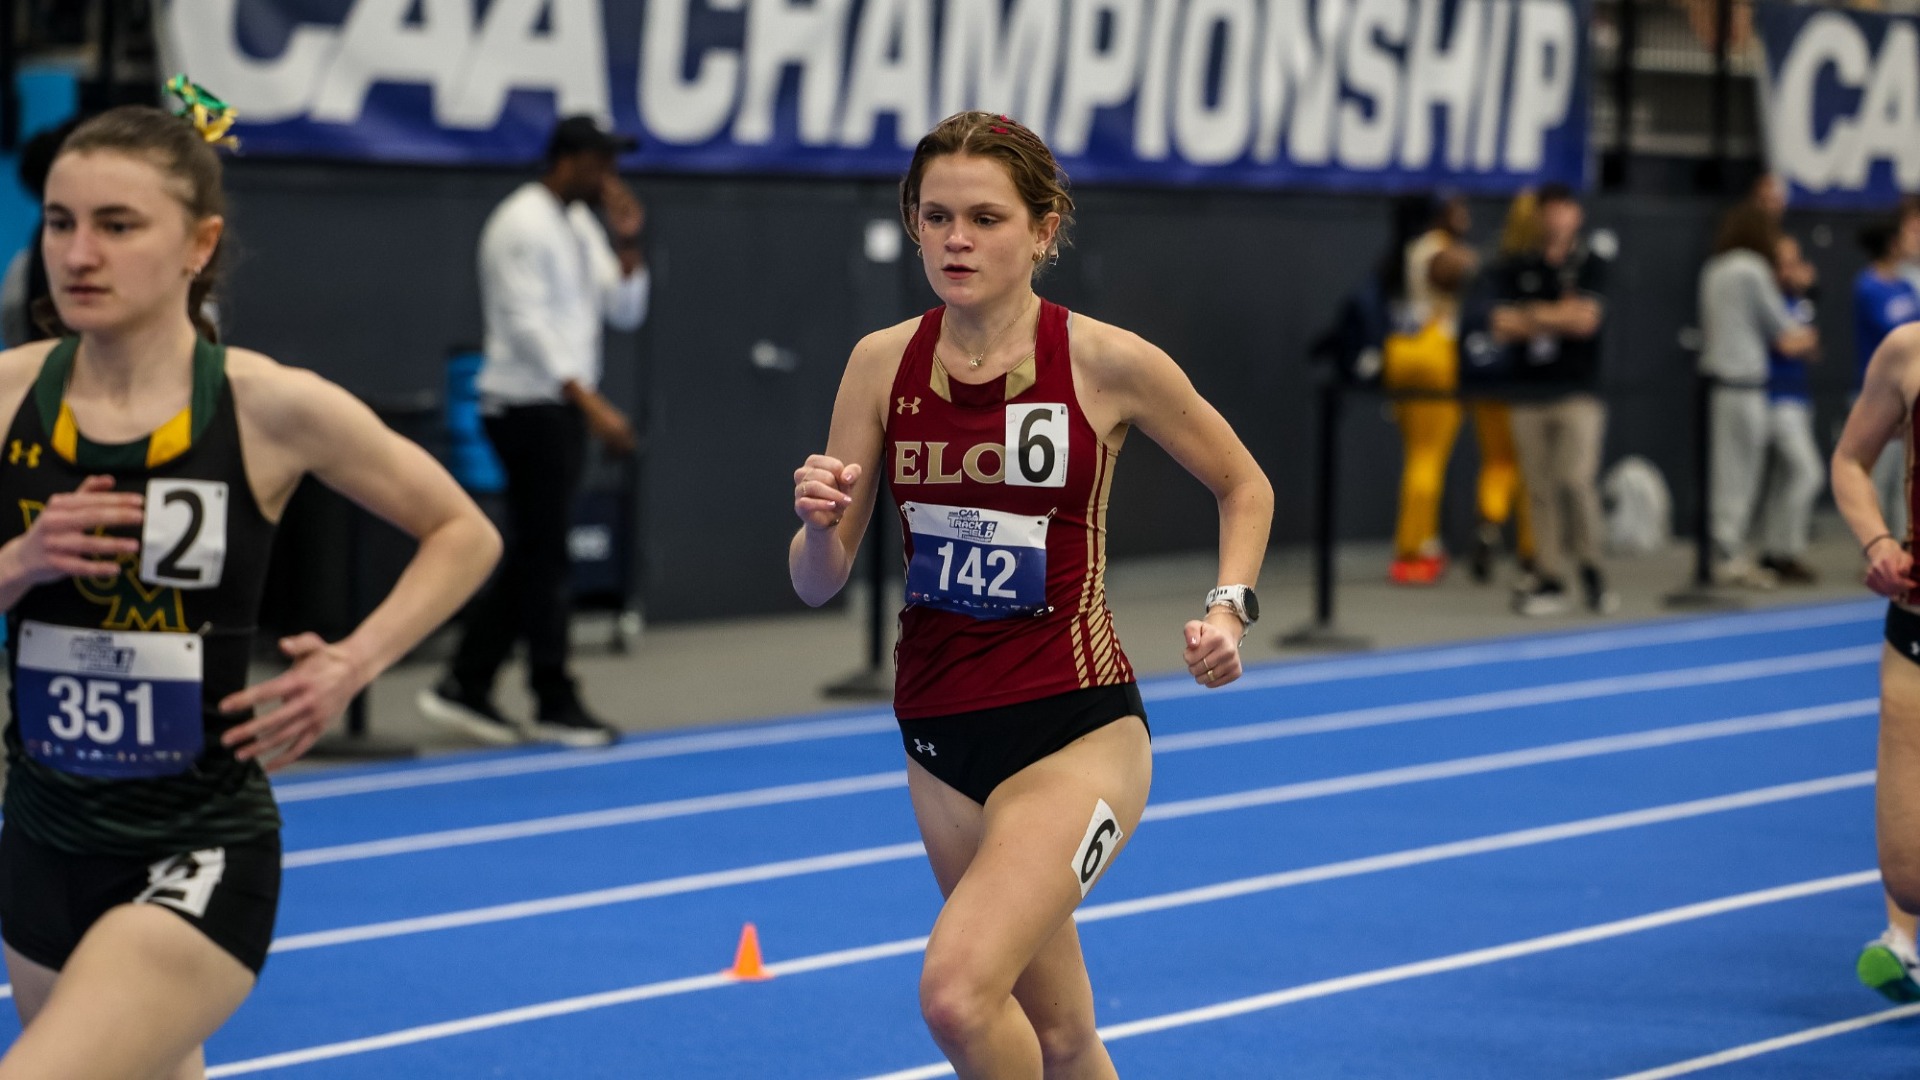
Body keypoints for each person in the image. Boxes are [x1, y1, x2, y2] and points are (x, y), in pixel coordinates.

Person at [0, 94, 500, 1079]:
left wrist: (355, 661)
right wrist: (20, 563)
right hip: (44, 840)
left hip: (198, 848)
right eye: (61, 223)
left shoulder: (269, 407)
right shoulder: (12, 394)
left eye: (117, 225)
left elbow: (463, 532)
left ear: (199, 242)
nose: (79, 253)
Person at [789, 111, 1272, 1077]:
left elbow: (1243, 484)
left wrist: (1229, 607)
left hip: (1073, 728)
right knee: (1060, 1034)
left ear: (1045, 228)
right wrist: (812, 523)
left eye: (985, 217)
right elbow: (817, 583)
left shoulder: (1106, 361)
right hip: (936, 734)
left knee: (958, 995)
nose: (956, 239)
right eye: (936, 217)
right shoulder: (881, 363)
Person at [417, 114, 649, 749]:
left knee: (534, 554)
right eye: (601, 161)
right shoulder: (519, 223)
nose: (610, 176)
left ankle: (466, 681)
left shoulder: (579, 225)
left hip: (558, 410)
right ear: (567, 160)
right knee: (545, 558)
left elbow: (624, 308)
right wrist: (593, 404)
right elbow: (525, 326)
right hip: (524, 408)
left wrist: (628, 241)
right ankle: (551, 696)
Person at [1831, 319, 1920, 1004]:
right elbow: (1849, 460)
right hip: (1918, 623)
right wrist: (1879, 542)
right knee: (1910, 876)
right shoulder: (1908, 350)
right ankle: (1904, 935)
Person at [1489, 183, 1617, 616]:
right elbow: (1501, 324)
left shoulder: (1591, 264)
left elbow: (1586, 321)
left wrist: (1533, 315)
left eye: (1566, 209)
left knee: (1575, 480)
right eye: (1551, 211)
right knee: (1537, 487)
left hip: (1577, 393)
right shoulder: (1519, 265)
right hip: (1529, 392)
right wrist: (1554, 315)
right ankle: (1549, 575)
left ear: (1576, 215)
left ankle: (1592, 569)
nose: (1558, 219)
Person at [1697, 202, 1819, 588]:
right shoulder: (1751, 270)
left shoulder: (1714, 267)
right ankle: (1729, 553)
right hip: (1744, 381)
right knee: (1741, 474)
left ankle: (1726, 549)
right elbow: (1783, 328)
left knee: (1726, 471)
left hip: (1717, 381)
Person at [1383, 193, 1475, 586]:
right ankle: (1414, 547)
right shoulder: (1439, 251)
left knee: (1416, 455)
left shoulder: (1410, 250)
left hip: (1402, 355)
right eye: (1458, 209)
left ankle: (1423, 540)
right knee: (1428, 457)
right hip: (1435, 356)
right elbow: (1456, 270)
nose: (1466, 216)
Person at [1461, 191, 1540, 584]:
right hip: (1518, 383)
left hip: (1487, 381)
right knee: (1527, 467)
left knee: (1497, 462)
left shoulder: (1491, 264)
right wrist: (1540, 320)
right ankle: (1531, 547)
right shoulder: (1530, 267)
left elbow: (1483, 317)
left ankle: (1490, 523)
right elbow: (1488, 320)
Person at [1754, 234, 1824, 584]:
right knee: (1808, 473)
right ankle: (1786, 550)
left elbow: (1811, 347)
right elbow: (1783, 344)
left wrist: (1800, 341)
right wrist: (1797, 342)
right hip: (1773, 399)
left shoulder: (1799, 300)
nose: (1791, 269)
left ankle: (1774, 551)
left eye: (1795, 261)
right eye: (1784, 262)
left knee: (1785, 479)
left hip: (1799, 397)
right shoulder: (1766, 298)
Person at [1855, 213, 1920, 546]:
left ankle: (1904, 545)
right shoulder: (1868, 285)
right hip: (1877, 394)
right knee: (1877, 476)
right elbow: (1893, 331)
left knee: (1905, 477)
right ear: (1892, 243)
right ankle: (1876, 545)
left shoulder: (1908, 285)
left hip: (1906, 394)